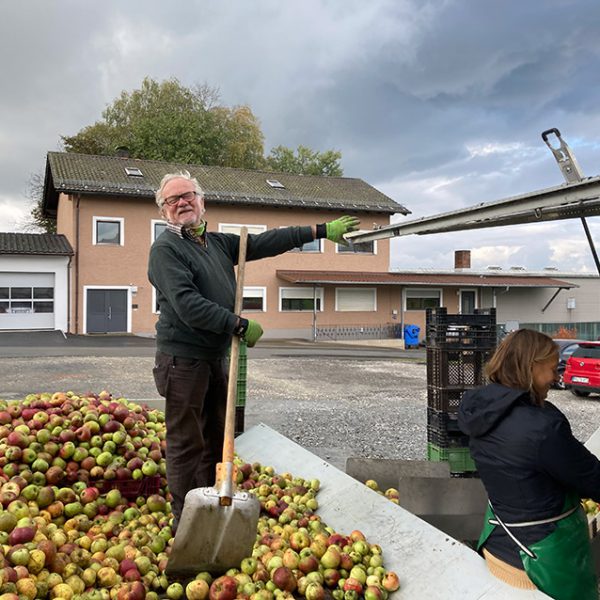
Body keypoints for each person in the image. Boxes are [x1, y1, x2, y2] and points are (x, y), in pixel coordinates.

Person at [147, 170, 360, 532]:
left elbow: (266, 242)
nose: (182, 203)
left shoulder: (216, 244)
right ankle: (186, 521)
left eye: (188, 195)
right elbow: (188, 304)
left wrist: (320, 231)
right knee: (186, 442)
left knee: (216, 438)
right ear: (164, 211)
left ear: (202, 200)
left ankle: (212, 502)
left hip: (215, 356)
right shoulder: (166, 249)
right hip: (182, 359)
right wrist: (239, 325)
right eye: (173, 200)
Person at [458, 329, 600, 600]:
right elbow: (591, 478)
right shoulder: (543, 427)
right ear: (531, 368)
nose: (556, 377)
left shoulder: (479, 410)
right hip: (541, 558)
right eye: (550, 369)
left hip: (498, 541)